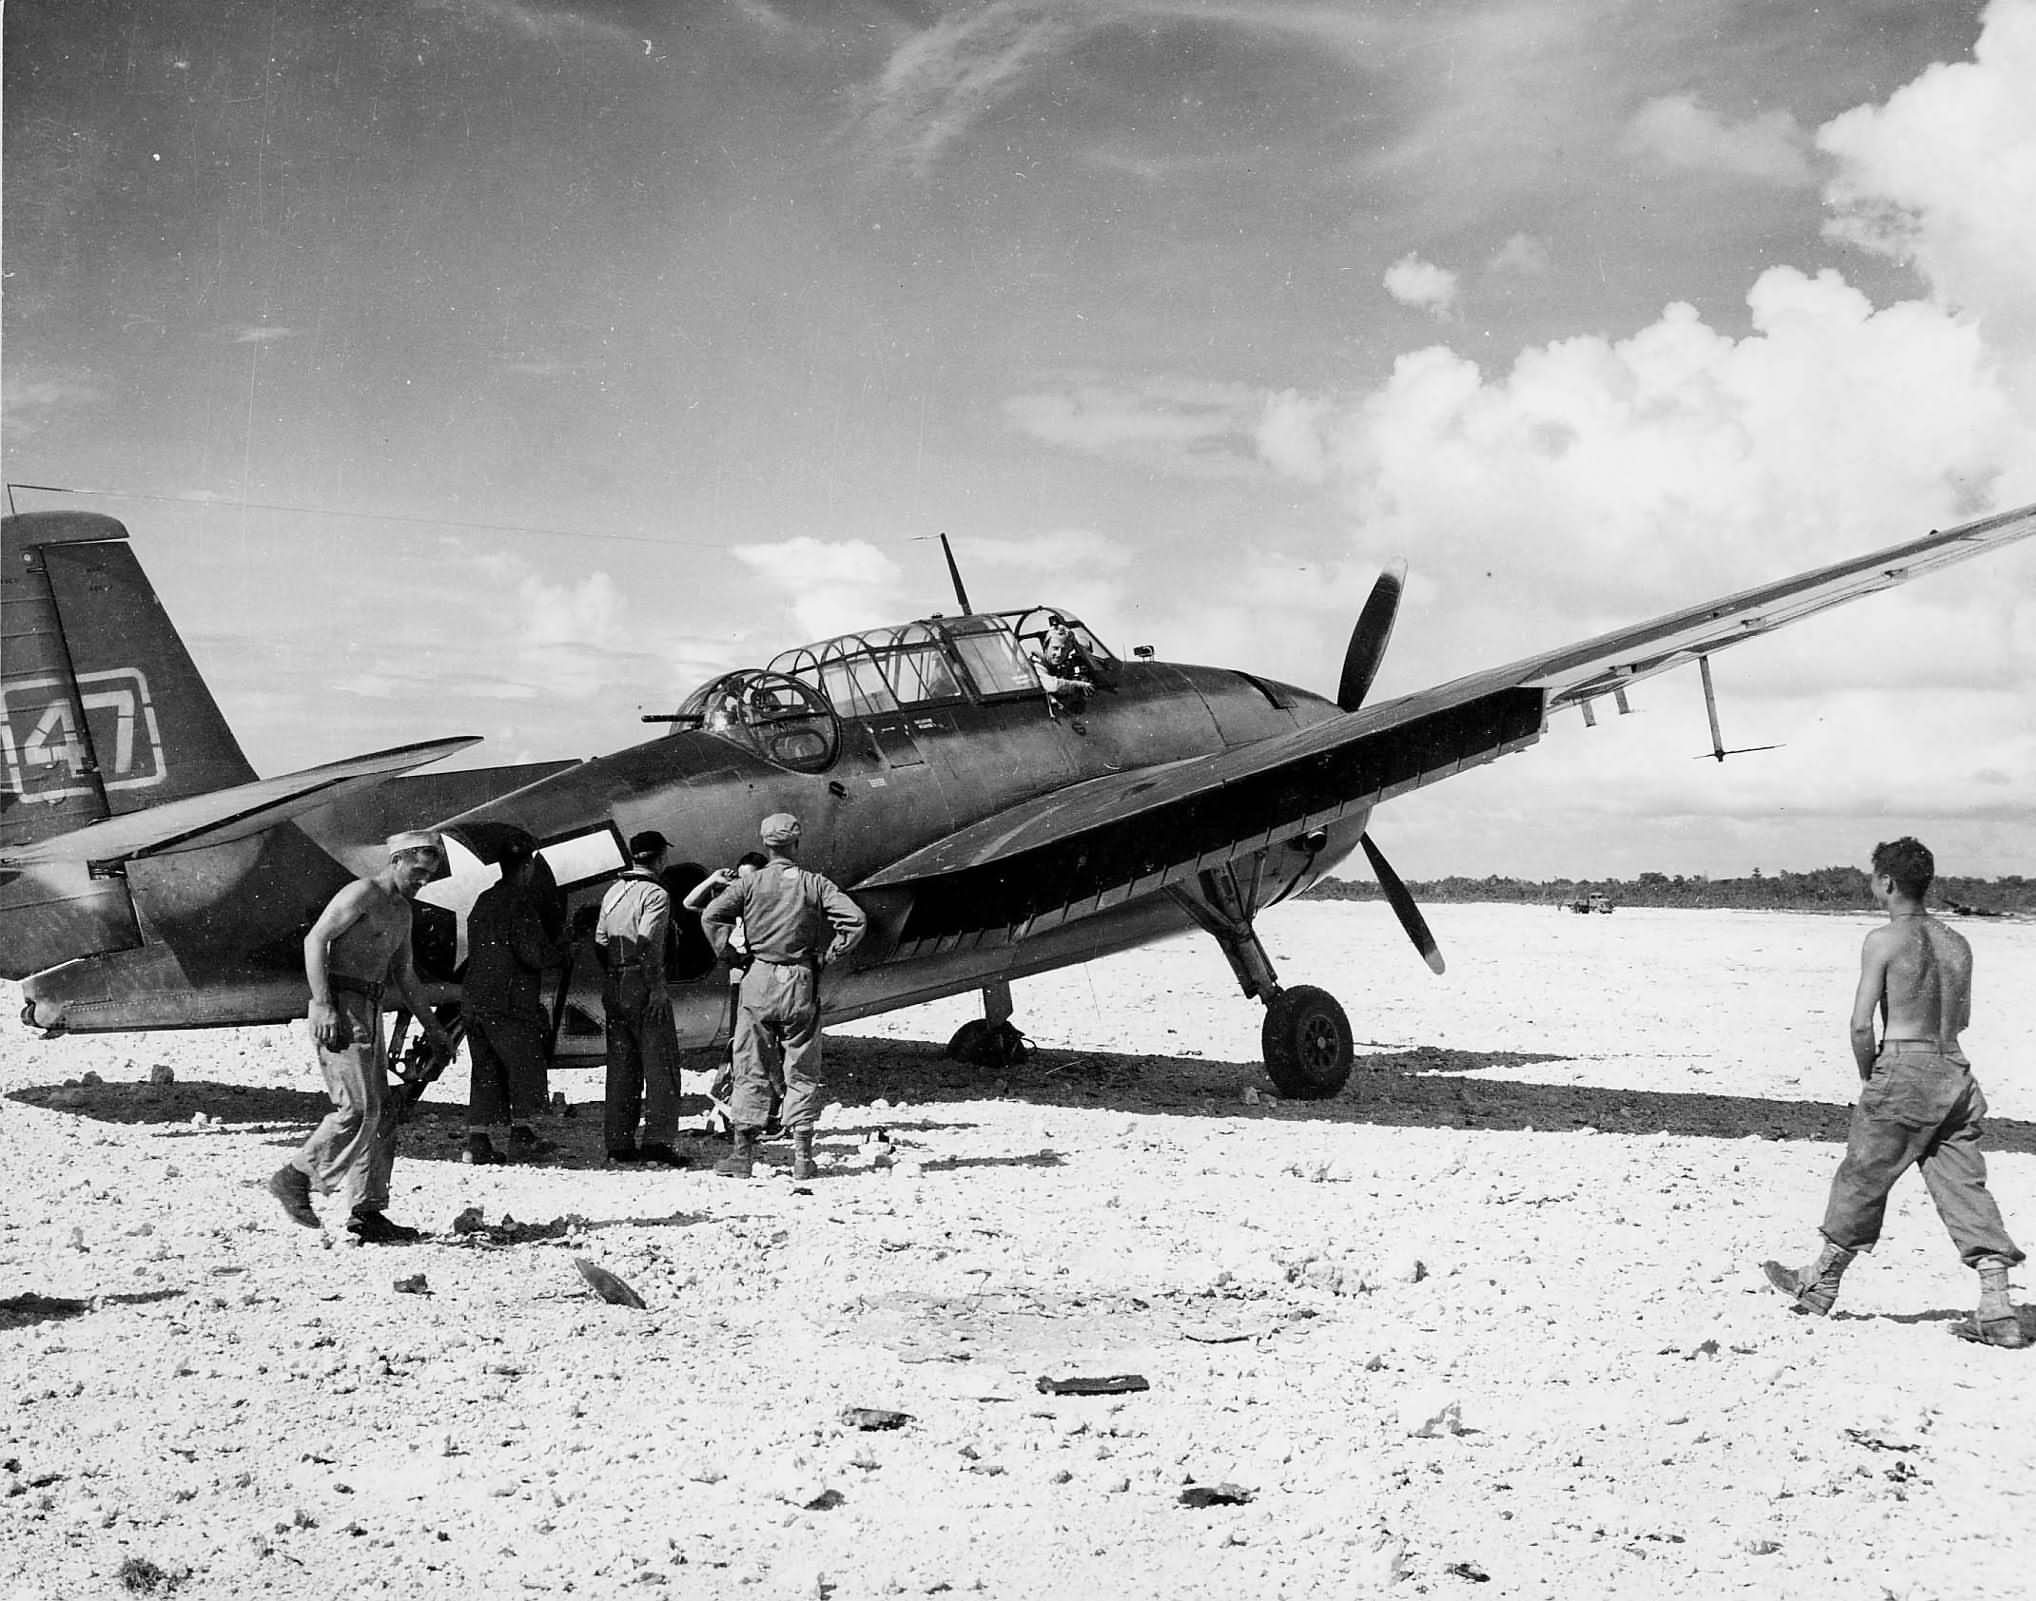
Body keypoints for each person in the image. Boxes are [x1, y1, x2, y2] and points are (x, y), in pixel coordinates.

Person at [1761, 837, 2027, 1347]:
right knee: (1962, 1184)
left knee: (1863, 1174)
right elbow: (1962, 1018)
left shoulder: (1882, 940)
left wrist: (1872, 1078)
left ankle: (1819, 1283)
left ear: (1886, 882)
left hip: (1904, 1066)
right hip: (1954, 1069)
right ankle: (1997, 1307)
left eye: (1873, 879)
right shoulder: (1957, 943)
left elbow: (1861, 1025)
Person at [267, 831, 456, 1244]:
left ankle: (367, 1212)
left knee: (382, 1112)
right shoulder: (363, 892)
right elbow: (316, 939)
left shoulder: (402, 912)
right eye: (417, 870)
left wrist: (435, 1028)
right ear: (397, 860)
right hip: (341, 1004)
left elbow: (405, 975)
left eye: (430, 873)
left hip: (370, 1009)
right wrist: (322, 1004)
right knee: (357, 1108)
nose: (422, 879)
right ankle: (295, 1177)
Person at [700, 814, 866, 1180]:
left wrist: (729, 954)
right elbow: (854, 920)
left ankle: (742, 1157)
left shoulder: (749, 883)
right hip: (800, 979)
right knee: (802, 1067)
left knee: (750, 1064)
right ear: (796, 842)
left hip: (758, 977)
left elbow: (711, 915)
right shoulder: (814, 884)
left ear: (765, 843)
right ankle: (803, 1159)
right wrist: (830, 955)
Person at [462, 833, 572, 1165]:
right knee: (525, 1065)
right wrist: (564, 950)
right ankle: (522, 1136)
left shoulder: (484, 899)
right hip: (509, 1001)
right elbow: (534, 954)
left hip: (475, 999)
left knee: (484, 1069)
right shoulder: (520, 904)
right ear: (525, 868)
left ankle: (476, 1141)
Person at [594, 829, 687, 1166]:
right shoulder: (656, 895)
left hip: (615, 981)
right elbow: (648, 943)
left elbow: (602, 940)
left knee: (622, 1067)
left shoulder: (613, 892)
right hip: (642, 982)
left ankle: (619, 1143)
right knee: (661, 1065)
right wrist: (657, 988)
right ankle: (658, 1142)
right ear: (661, 857)